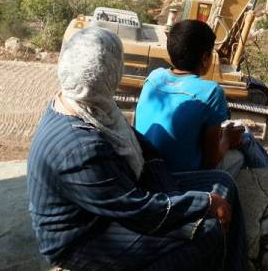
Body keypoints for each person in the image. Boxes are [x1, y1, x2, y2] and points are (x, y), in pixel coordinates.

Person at [27, 27, 246, 271]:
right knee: (207, 231)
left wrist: (171, 192)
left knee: (223, 182)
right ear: (110, 73)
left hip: (116, 200)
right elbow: (136, 210)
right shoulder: (81, 147)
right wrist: (201, 203)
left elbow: (143, 147)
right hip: (84, 236)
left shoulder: (91, 104)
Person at [135, 19, 268, 175]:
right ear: (205, 58)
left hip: (149, 167)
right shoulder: (211, 92)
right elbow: (210, 162)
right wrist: (227, 138)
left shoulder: (154, 77)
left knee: (239, 129)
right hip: (180, 177)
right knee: (245, 140)